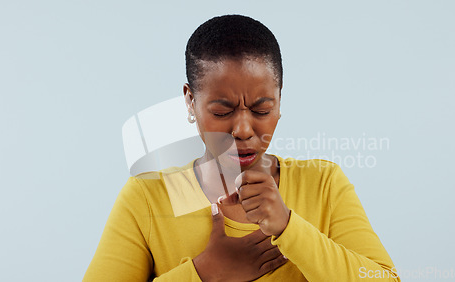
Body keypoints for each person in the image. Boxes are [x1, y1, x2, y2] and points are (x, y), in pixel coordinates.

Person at [84, 14, 400, 281]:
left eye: (262, 109)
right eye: (222, 111)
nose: (243, 130)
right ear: (190, 101)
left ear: (279, 101)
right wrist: (204, 272)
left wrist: (289, 226)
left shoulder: (323, 184)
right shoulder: (147, 198)